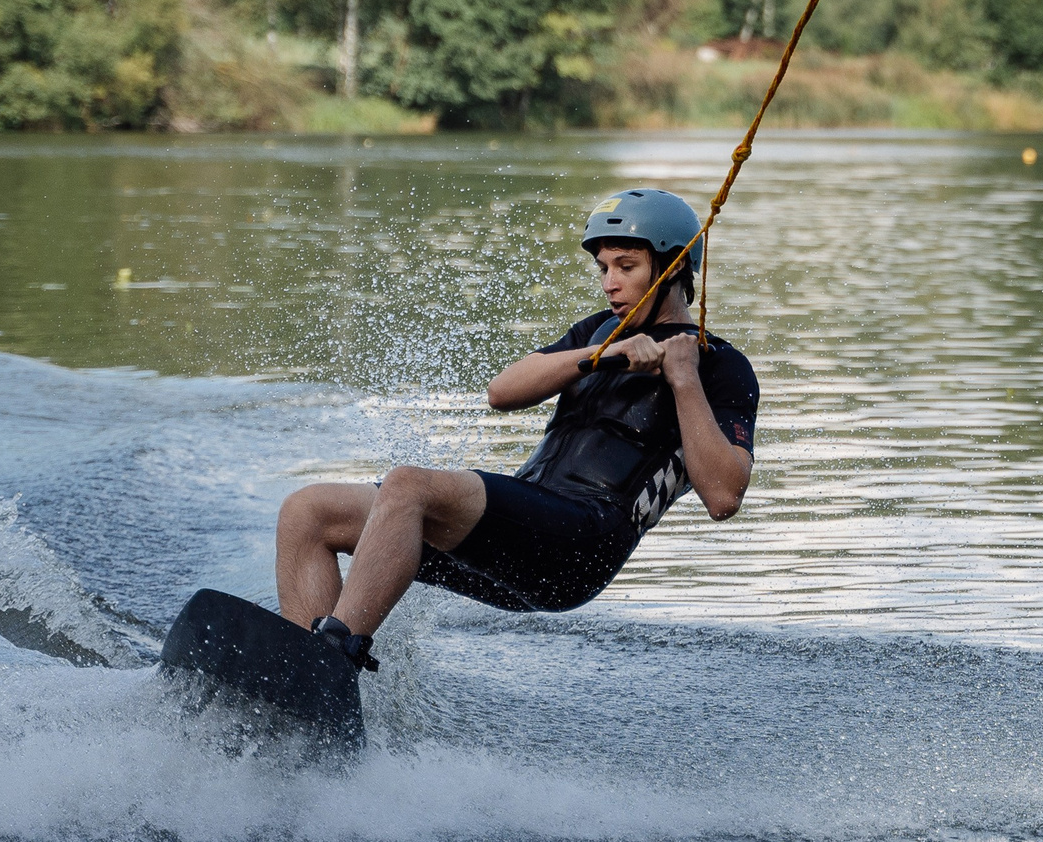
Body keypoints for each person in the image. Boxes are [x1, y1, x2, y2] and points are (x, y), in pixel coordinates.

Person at [273, 187, 758, 671]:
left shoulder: (721, 367)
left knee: (408, 486)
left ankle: (332, 659)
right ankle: (308, 687)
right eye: (604, 268)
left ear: (672, 269)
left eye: (625, 267)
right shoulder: (596, 334)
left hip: (581, 544)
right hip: (522, 525)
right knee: (308, 512)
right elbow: (502, 392)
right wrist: (604, 356)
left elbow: (723, 496)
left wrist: (684, 379)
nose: (610, 283)